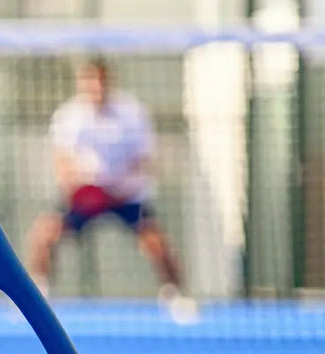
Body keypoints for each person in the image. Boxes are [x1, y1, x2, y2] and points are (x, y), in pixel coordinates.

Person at [25, 58, 198, 323]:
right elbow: (62, 162)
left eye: (100, 82)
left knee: (157, 244)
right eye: (89, 82)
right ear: (82, 84)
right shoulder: (69, 115)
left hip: (126, 195)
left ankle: (175, 297)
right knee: (44, 235)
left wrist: (115, 186)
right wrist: (82, 183)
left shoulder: (132, 113)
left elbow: (144, 160)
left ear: (108, 82)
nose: (96, 88)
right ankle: (39, 297)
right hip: (84, 195)